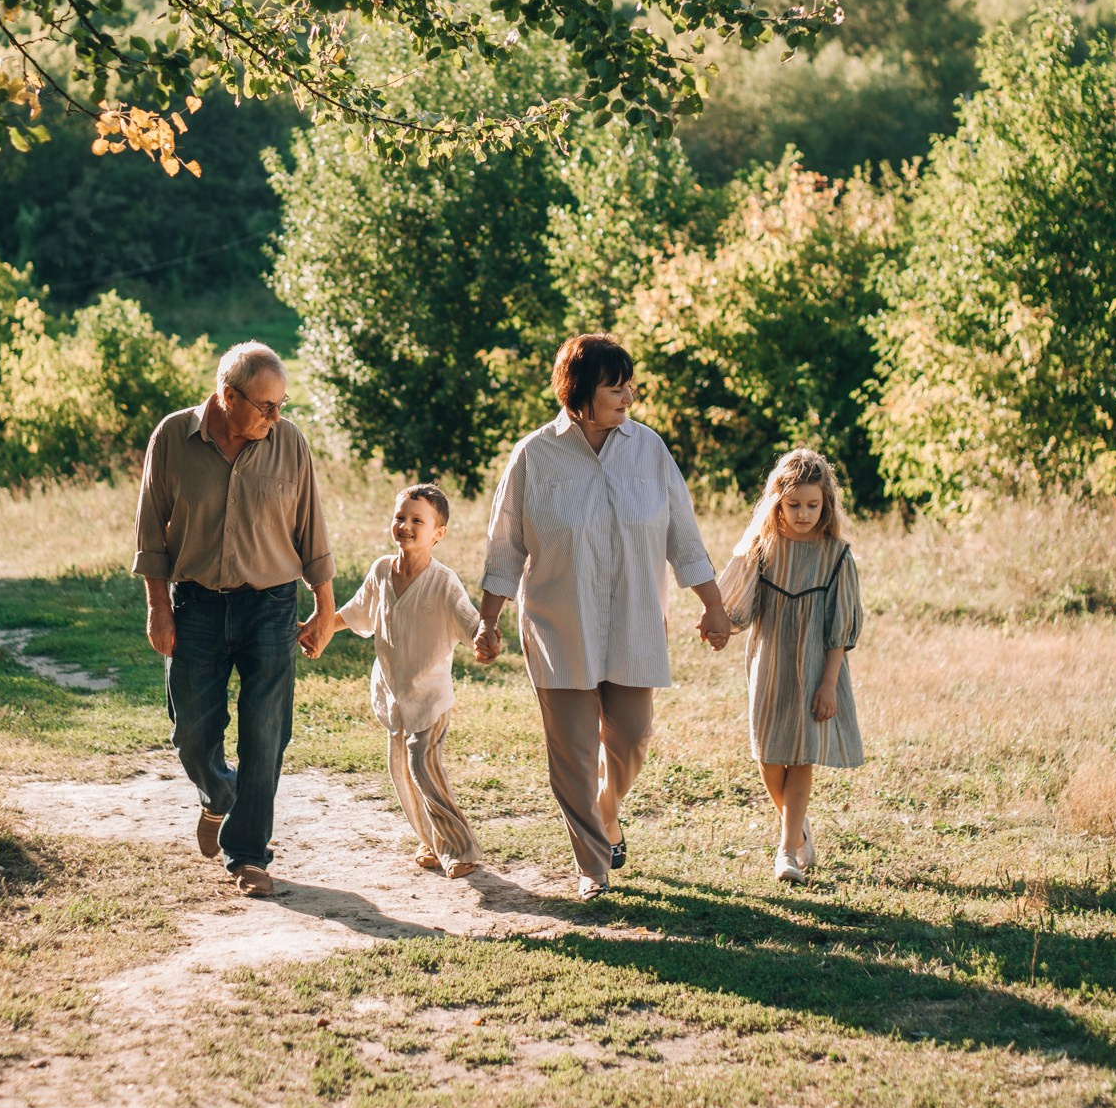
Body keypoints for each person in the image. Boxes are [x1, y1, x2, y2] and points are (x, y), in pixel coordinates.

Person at [478, 333, 731, 902]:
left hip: (634, 621)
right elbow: (505, 546)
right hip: (558, 624)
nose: (628, 397)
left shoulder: (649, 449)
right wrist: (489, 620)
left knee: (632, 738)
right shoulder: (534, 455)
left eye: (629, 386)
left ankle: (607, 809)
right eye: (615, 387)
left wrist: (712, 604)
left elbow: (683, 534)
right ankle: (593, 866)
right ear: (580, 390)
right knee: (571, 754)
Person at [134, 340, 337, 898]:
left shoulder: (289, 442)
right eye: (266, 406)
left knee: (266, 732)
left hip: (270, 606)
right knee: (191, 731)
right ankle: (219, 794)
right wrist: (157, 606)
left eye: (281, 405)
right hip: (195, 605)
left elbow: (311, 527)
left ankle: (248, 855)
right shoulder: (172, 437)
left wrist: (324, 607)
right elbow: (151, 527)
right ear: (228, 396)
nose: (276, 417)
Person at [322, 483, 495, 879]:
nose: (406, 525)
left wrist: (482, 639)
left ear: (438, 533)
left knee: (422, 766)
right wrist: (319, 628)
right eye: (400, 517)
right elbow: (354, 613)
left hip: (429, 697)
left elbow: (470, 622)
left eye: (418, 520)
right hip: (393, 695)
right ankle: (431, 842)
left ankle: (460, 848)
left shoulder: (444, 581)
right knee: (401, 772)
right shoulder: (382, 571)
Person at [716, 447, 864, 886]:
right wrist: (718, 625)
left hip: (816, 667)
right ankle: (798, 828)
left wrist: (829, 684)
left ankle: (786, 851)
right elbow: (738, 607)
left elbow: (841, 628)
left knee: (801, 755)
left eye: (812, 505)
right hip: (770, 662)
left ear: (826, 504)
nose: (803, 514)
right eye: (794, 504)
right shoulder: (763, 549)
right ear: (777, 503)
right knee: (767, 754)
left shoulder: (835, 555)